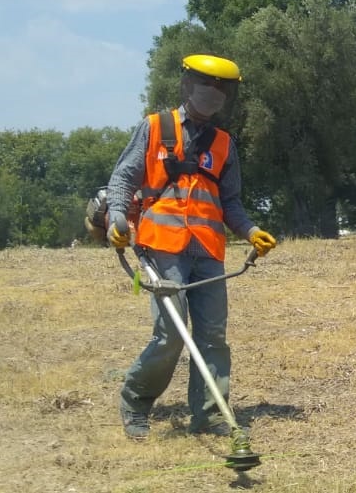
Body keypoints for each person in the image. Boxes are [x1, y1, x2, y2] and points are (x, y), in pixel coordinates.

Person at [106, 54, 277, 439]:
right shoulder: (155, 127)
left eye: (222, 87)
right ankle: (136, 400)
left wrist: (250, 231)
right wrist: (117, 219)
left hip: (208, 251)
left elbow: (230, 203)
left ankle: (210, 414)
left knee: (213, 336)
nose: (213, 92)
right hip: (161, 246)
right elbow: (122, 180)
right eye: (206, 83)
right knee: (170, 333)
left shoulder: (223, 144)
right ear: (186, 84)